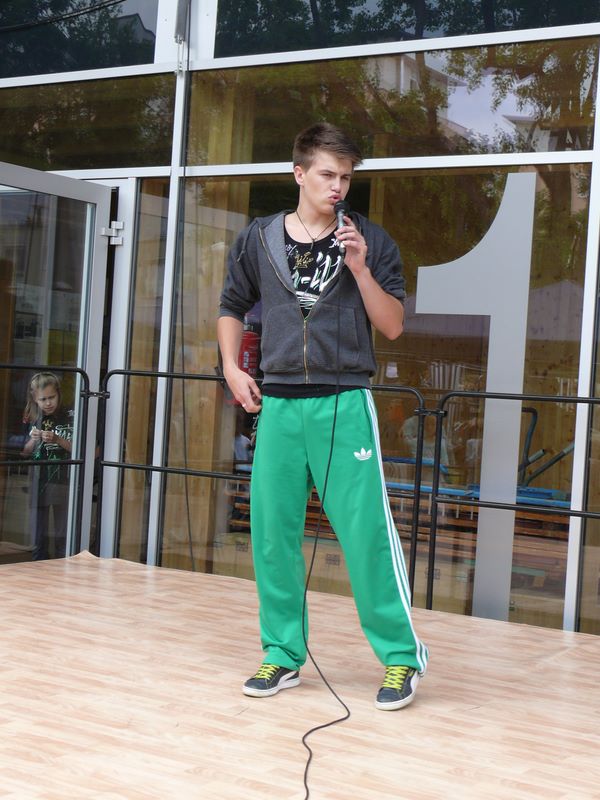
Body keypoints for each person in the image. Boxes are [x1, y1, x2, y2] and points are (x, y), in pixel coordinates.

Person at [218, 122, 428, 710]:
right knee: (272, 536)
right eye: (328, 175)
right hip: (280, 404)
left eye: (347, 178)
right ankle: (283, 654)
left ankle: (401, 658)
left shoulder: (371, 240)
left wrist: (360, 268)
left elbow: (392, 325)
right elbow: (232, 305)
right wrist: (232, 368)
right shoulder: (258, 238)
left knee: (366, 537)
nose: (338, 187)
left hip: (344, 401)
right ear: (299, 174)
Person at [22, 372, 74, 561]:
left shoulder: (69, 416)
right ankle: (39, 563)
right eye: (43, 399)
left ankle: (62, 563)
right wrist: (33, 440)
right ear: (34, 399)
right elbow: (24, 452)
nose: (48, 403)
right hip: (39, 480)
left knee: (62, 532)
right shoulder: (32, 417)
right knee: (39, 534)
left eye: (52, 397)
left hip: (63, 481)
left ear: (59, 394)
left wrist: (58, 439)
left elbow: (79, 451)